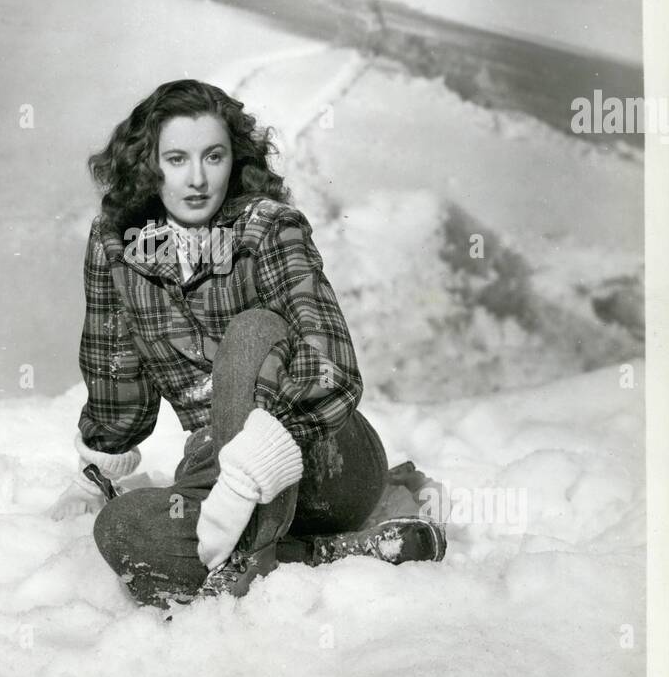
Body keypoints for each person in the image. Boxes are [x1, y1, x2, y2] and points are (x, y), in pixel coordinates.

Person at [51, 79, 445, 607]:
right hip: (215, 477)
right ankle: (333, 553)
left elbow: (331, 362)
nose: (196, 178)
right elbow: (116, 373)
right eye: (176, 159)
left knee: (252, 330)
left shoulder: (267, 229)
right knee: (122, 529)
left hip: (326, 462)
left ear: (235, 161)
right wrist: (96, 471)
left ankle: (261, 553)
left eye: (213, 156)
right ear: (148, 164)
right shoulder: (116, 247)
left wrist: (248, 469)